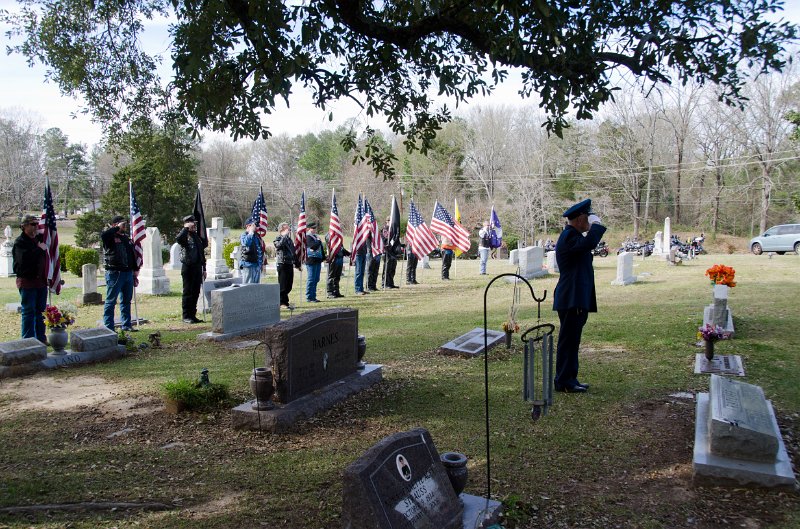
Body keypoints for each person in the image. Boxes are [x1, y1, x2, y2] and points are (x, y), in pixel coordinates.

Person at [552, 199, 606, 394]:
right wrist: (597, 225)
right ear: (580, 219)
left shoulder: (573, 236)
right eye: (587, 219)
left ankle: (570, 378)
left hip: (575, 296)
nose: (589, 224)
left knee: (573, 340)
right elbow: (590, 242)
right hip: (571, 297)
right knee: (568, 340)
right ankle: (564, 381)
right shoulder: (569, 236)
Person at [12, 215, 48, 343]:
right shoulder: (20, 242)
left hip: (41, 282)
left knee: (41, 312)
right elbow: (23, 261)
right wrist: (39, 249)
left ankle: (40, 338)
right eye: (32, 224)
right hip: (28, 282)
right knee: (28, 312)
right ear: (24, 226)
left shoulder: (39, 239)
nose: (36, 226)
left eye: (37, 224)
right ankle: (28, 341)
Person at [101, 215, 139, 331]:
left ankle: (126, 325)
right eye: (122, 223)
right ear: (114, 224)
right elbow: (104, 235)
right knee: (111, 301)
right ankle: (109, 327)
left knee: (126, 301)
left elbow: (131, 255)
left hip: (128, 273)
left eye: (125, 223)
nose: (124, 225)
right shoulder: (110, 237)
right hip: (115, 273)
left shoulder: (126, 238)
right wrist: (116, 228)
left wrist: (135, 269)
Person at [176, 214, 207, 324]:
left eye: (195, 224)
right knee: (188, 292)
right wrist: (185, 228)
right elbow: (178, 239)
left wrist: (204, 268)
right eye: (193, 224)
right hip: (188, 267)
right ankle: (186, 316)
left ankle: (193, 315)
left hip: (197, 267)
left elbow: (201, 253)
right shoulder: (184, 235)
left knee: (196, 292)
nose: (195, 226)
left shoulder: (196, 236)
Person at [273, 222, 297, 309]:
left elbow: (293, 252)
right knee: (282, 285)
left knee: (289, 285)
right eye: (287, 228)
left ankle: (285, 302)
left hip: (289, 263)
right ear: (282, 230)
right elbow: (279, 245)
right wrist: (283, 236)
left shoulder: (289, 240)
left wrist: (297, 263)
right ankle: (281, 302)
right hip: (282, 263)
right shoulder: (278, 238)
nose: (289, 230)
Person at [325, 231, 350, 298]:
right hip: (333, 258)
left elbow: (341, 248)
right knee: (331, 276)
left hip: (340, 258)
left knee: (337, 276)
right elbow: (331, 244)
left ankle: (336, 291)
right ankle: (330, 292)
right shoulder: (329, 234)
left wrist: (349, 253)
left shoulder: (338, 236)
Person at [239, 217, 264, 284]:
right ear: (248, 226)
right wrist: (250, 232)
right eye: (253, 225)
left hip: (257, 265)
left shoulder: (256, 236)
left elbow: (260, 250)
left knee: (256, 288)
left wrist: (260, 264)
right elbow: (245, 243)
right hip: (248, 265)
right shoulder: (244, 235)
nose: (255, 227)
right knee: (248, 287)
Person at [304, 221, 324, 302]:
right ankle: (309, 297)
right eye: (313, 228)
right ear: (308, 229)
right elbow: (313, 246)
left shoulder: (316, 237)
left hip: (317, 259)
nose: (314, 229)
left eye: (315, 228)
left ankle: (313, 296)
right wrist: (318, 241)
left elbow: (320, 248)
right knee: (311, 279)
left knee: (316, 279)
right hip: (311, 260)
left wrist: (324, 257)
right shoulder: (308, 237)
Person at [381, 218, 399, 289]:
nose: (390, 222)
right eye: (389, 221)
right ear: (386, 221)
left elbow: (395, 240)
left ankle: (391, 283)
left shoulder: (393, 229)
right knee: (387, 268)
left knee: (392, 268)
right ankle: (385, 284)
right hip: (387, 251)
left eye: (391, 221)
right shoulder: (385, 229)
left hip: (393, 251)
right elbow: (386, 239)